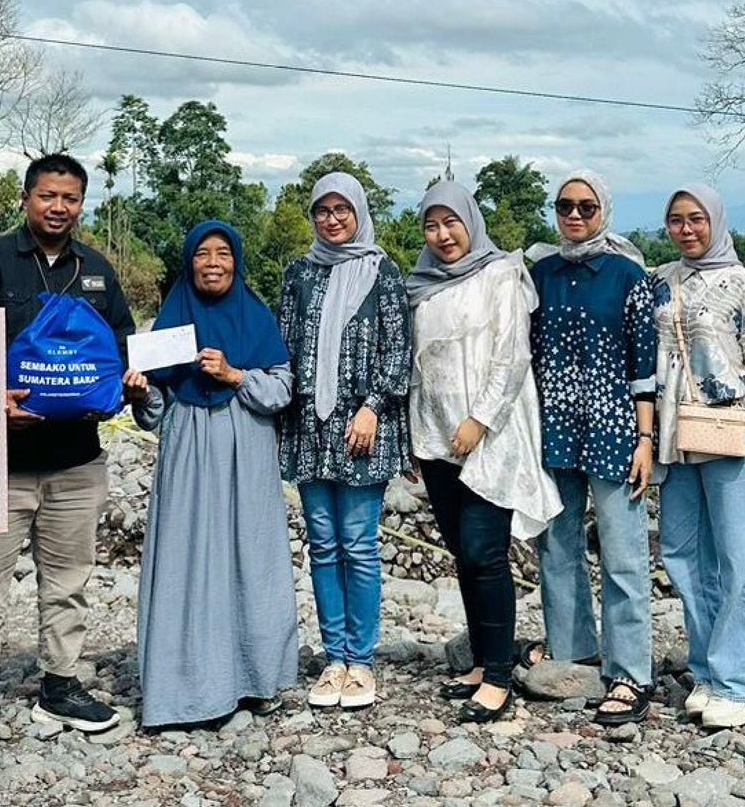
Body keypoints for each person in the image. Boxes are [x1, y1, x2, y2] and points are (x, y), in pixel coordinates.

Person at [0, 153, 134, 759]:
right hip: (0, 465)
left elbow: (123, 351)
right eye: (48, 196)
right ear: (26, 197)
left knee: (69, 582)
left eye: (71, 199)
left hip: (77, 462)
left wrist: (125, 387)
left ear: (82, 204)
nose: (59, 208)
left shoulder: (98, 271)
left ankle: (60, 681)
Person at [129, 221, 298, 727]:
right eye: (201, 253)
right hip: (187, 447)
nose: (212, 263)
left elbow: (282, 390)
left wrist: (234, 375)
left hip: (244, 446)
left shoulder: (256, 316)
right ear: (188, 262)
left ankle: (254, 678)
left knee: (250, 553)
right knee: (185, 555)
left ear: (236, 260)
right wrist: (141, 393)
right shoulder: (172, 318)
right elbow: (154, 410)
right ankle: (183, 688)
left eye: (223, 253)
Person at [407, 181, 560, 724]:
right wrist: (418, 433)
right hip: (436, 437)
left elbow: (511, 356)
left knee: (484, 552)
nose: (444, 235)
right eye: (432, 224)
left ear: (471, 221)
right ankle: (480, 660)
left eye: (452, 222)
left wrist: (479, 419)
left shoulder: (502, 275)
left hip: (489, 436)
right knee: (462, 555)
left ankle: (498, 677)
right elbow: (419, 366)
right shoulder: (421, 285)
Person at [652, 184, 745, 730]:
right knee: (683, 552)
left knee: (736, 555)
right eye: (677, 220)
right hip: (673, 436)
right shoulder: (660, 281)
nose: (687, 230)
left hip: (731, 431)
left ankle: (740, 680)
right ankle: (709, 668)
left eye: (697, 219)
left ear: (717, 221)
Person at [527, 172, 659, 727]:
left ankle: (631, 670)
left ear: (603, 209)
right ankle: (574, 649)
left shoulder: (629, 276)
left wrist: (646, 440)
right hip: (553, 427)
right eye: (564, 206)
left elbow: (644, 369)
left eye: (585, 206)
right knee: (557, 545)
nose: (574, 216)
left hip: (614, 429)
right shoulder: (541, 275)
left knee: (624, 551)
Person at [277, 173, 412, 712]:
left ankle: (362, 660)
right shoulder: (298, 274)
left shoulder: (383, 272)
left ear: (359, 212)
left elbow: (399, 349)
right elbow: (284, 345)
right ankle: (334, 657)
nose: (332, 219)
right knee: (324, 545)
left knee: (359, 544)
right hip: (311, 427)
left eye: (342, 209)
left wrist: (373, 407)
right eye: (322, 211)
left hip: (363, 429)